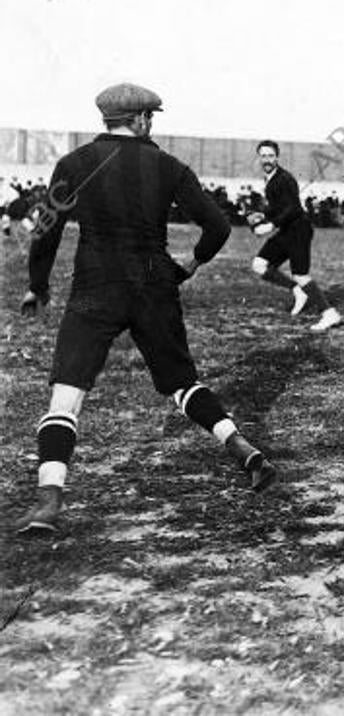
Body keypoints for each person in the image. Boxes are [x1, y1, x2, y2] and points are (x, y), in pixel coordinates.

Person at [14, 83, 277, 534]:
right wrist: (191, 263)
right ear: (139, 120)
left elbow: (46, 230)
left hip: (95, 288)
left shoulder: (75, 163)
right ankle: (242, 447)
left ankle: (48, 502)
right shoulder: (168, 165)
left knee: (67, 394)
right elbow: (216, 225)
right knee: (181, 382)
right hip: (155, 285)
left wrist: (37, 286)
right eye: (150, 117)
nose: (151, 123)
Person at [249, 141, 342, 332]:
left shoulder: (284, 178)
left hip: (298, 230)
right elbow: (280, 207)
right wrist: (263, 215)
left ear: (277, 157)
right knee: (259, 265)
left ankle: (329, 314)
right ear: (259, 158)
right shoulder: (271, 179)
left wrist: (270, 225)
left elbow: (293, 208)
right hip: (287, 230)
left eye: (270, 156)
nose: (266, 159)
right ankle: (297, 290)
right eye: (263, 156)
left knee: (300, 274)